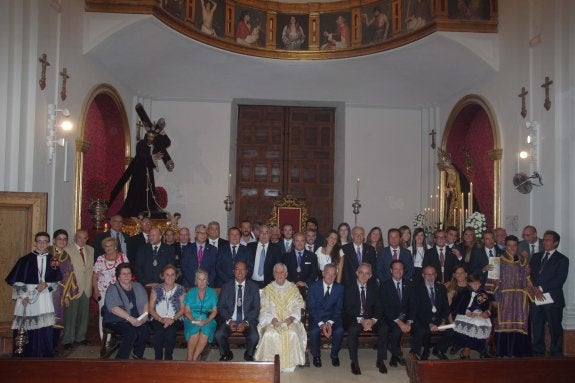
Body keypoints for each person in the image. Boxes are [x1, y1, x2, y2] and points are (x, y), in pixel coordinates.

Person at [5, 232, 62, 357]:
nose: (42, 244)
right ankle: (26, 352)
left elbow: (56, 281)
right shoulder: (24, 260)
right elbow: (17, 281)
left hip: (44, 296)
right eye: (39, 241)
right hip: (27, 295)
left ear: (48, 243)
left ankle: (43, 352)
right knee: (27, 322)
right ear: (35, 243)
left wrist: (47, 285)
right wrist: (23, 296)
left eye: (45, 241)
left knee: (44, 323)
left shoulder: (53, 260)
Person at [254, 263, 307, 372]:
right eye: (276, 272)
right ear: (273, 274)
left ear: (286, 274)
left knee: (292, 333)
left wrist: (291, 318)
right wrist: (272, 320)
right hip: (271, 321)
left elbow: (299, 305)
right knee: (269, 333)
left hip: (290, 321)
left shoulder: (293, 288)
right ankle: (269, 364)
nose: (279, 275)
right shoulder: (267, 290)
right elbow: (263, 309)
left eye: (282, 272)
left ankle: (289, 365)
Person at [108, 128, 171, 218]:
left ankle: (148, 209)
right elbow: (141, 157)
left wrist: (160, 130)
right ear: (146, 136)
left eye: (152, 137)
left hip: (149, 173)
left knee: (149, 193)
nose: (150, 139)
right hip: (139, 173)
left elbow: (167, 142)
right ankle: (136, 211)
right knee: (136, 192)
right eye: (149, 136)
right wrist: (154, 157)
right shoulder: (141, 144)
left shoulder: (154, 145)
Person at [492, 235, 536, 357]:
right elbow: (492, 281)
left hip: (520, 298)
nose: (512, 248)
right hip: (504, 297)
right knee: (505, 323)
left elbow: (528, 280)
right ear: (505, 246)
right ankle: (503, 351)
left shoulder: (524, 260)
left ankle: (519, 351)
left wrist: (533, 294)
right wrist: (495, 298)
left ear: (517, 246)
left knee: (520, 323)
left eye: (514, 245)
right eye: (509, 245)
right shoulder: (497, 261)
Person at [530, 230, 569, 356]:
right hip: (537, 297)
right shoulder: (536, 257)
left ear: (555, 243)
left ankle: (556, 352)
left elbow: (560, 279)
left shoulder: (562, 259)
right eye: (544, 239)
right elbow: (531, 275)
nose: (544, 242)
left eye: (548, 240)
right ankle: (537, 350)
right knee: (537, 326)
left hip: (552, 299)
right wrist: (535, 288)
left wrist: (540, 288)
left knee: (555, 328)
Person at [215, 260, 260, 361]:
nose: (240, 272)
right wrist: (230, 321)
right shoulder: (226, 286)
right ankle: (226, 354)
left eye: (243, 270)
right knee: (218, 334)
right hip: (229, 320)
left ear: (247, 272)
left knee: (254, 336)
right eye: (237, 269)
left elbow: (256, 308)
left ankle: (248, 354)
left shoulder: (254, 287)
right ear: (233, 271)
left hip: (247, 320)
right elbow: (221, 307)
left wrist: (245, 323)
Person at [103, 263, 150, 359]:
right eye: (123, 274)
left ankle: (137, 356)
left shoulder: (138, 286)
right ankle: (120, 360)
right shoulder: (112, 289)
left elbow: (146, 303)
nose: (127, 276)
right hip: (117, 319)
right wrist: (130, 319)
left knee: (145, 329)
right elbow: (113, 308)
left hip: (136, 318)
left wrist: (144, 317)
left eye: (128, 273)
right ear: (118, 277)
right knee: (131, 332)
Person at [343, 263, 382, 375]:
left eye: (367, 273)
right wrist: (362, 320)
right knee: (353, 330)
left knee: (384, 328)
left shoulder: (375, 287)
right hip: (354, 318)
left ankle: (380, 360)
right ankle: (354, 362)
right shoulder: (348, 287)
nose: (364, 276)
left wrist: (373, 320)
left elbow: (379, 307)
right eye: (361, 272)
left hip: (370, 319)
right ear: (356, 273)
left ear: (370, 276)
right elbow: (347, 309)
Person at [379, 260, 414, 370]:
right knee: (397, 330)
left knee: (420, 328)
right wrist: (399, 322)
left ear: (403, 270)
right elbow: (385, 307)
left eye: (401, 269)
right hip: (391, 317)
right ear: (391, 270)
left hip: (406, 317)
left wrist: (409, 321)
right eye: (395, 269)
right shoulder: (385, 285)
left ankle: (415, 354)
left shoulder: (409, 284)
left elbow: (413, 305)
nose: (398, 271)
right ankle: (395, 355)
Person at [307, 263, 344, 368]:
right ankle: (316, 355)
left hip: (333, 318)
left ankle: (334, 355)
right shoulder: (314, 287)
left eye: (333, 274)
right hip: (317, 317)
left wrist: (329, 323)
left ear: (336, 275)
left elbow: (338, 308)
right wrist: (322, 324)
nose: (330, 277)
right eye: (328, 273)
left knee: (339, 330)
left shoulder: (340, 288)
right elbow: (312, 308)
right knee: (314, 331)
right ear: (323, 273)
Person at [62, 229, 94, 349]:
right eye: (80, 237)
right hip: (73, 287)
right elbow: (64, 270)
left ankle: (81, 337)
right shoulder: (67, 249)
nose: (82, 240)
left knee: (84, 315)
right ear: (75, 237)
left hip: (86, 287)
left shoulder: (91, 250)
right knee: (70, 315)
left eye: (85, 238)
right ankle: (67, 339)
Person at [410, 265, 449, 360]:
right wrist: (430, 323)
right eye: (427, 274)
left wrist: (443, 321)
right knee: (424, 330)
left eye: (432, 274)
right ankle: (420, 352)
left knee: (452, 330)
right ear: (423, 275)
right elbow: (417, 310)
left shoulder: (441, 288)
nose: (430, 277)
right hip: (422, 319)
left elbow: (446, 308)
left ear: (436, 275)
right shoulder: (416, 289)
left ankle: (438, 349)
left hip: (439, 319)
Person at [93, 237, 129, 339]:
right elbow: (94, 276)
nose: (109, 248)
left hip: (119, 292)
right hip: (103, 292)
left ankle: (119, 338)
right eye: (106, 246)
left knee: (120, 314)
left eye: (111, 245)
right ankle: (105, 340)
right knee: (104, 315)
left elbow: (127, 274)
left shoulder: (122, 257)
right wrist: (96, 291)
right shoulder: (100, 259)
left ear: (115, 246)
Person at [49, 229, 79, 352]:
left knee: (58, 320)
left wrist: (67, 294)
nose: (62, 241)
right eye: (59, 238)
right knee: (46, 319)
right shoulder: (47, 253)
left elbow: (70, 275)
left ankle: (54, 346)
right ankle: (45, 346)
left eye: (65, 239)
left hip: (60, 293)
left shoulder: (67, 257)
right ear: (54, 240)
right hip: (47, 292)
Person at [148, 264, 185, 360]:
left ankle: (168, 358)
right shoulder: (156, 289)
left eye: (172, 274)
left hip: (175, 318)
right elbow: (151, 308)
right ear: (162, 276)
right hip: (157, 318)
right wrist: (161, 319)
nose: (170, 277)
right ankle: (158, 358)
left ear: (176, 276)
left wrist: (172, 319)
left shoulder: (181, 289)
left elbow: (183, 309)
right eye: (167, 274)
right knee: (159, 332)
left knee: (170, 332)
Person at [452, 273, 493, 359]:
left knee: (483, 325)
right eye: (473, 283)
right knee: (464, 325)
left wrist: (484, 312)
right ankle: (466, 350)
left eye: (478, 283)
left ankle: (482, 349)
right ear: (469, 283)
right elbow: (458, 306)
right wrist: (466, 312)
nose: (476, 285)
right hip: (464, 313)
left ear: (481, 284)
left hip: (478, 314)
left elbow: (485, 306)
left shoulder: (482, 294)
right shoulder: (465, 292)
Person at [183, 269, 218, 360]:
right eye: (199, 279)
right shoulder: (191, 292)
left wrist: (206, 321)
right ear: (196, 281)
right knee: (194, 333)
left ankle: (194, 359)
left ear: (207, 281)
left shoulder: (212, 292)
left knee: (205, 332)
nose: (202, 282)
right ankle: (189, 357)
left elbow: (214, 311)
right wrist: (194, 321)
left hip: (207, 319)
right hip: (191, 318)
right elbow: (186, 311)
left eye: (204, 279)